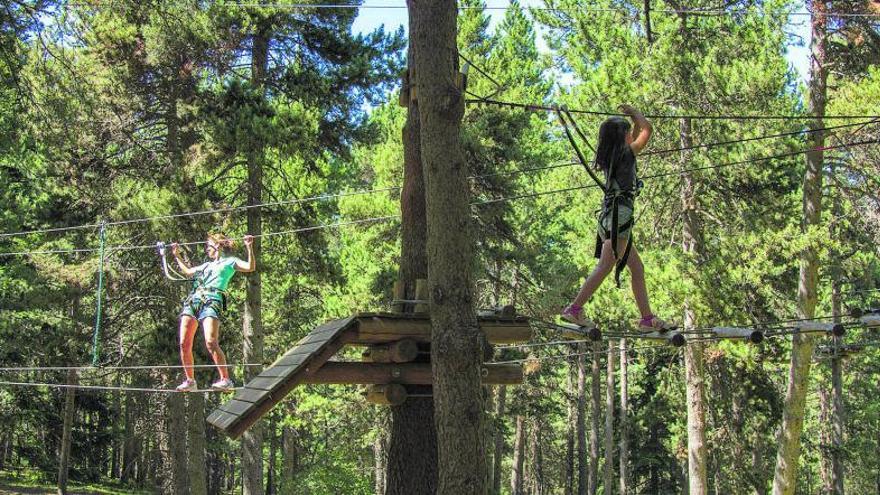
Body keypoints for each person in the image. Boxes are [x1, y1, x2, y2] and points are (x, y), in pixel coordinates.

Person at [561, 105, 672, 332]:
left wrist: (631, 119)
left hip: (611, 219)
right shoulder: (626, 153)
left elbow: (641, 130)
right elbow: (647, 130)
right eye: (629, 132)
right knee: (605, 267)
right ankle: (574, 309)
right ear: (623, 136)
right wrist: (634, 113)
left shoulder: (611, 156)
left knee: (637, 268)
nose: (632, 134)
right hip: (618, 220)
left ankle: (647, 318)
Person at [170, 233, 255, 391]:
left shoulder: (230, 262)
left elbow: (250, 267)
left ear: (218, 245)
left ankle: (226, 379)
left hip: (213, 299)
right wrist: (177, 256)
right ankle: (190, 381)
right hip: (194, 300)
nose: (206, 249)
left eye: (208, 245)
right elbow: (188, 272)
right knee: (184, 343)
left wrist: (249, 248)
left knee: (211, 341)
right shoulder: (206, 266)